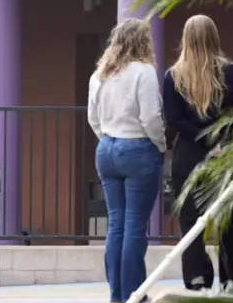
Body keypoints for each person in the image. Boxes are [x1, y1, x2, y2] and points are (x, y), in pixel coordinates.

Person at [163, 14, 233, 291]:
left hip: (187, 155)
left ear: (185, 40)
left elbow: (174, 121)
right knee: (229, 218)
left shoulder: (173, 77)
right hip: (225, 153)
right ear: (215, 37)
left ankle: (197, 278)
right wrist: (218, 140)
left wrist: (200, 138)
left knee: (190, 220)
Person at [87, 18, 166, 303]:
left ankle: (117, 295)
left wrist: (108, 138)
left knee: (116, 225)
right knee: (134, 225)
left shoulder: (100, 74)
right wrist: (160, 144)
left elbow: (93, 118)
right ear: (143, 41)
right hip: (137, 148)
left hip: (106, 147)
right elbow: (150, 117)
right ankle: (135, 295)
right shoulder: (144, 72)